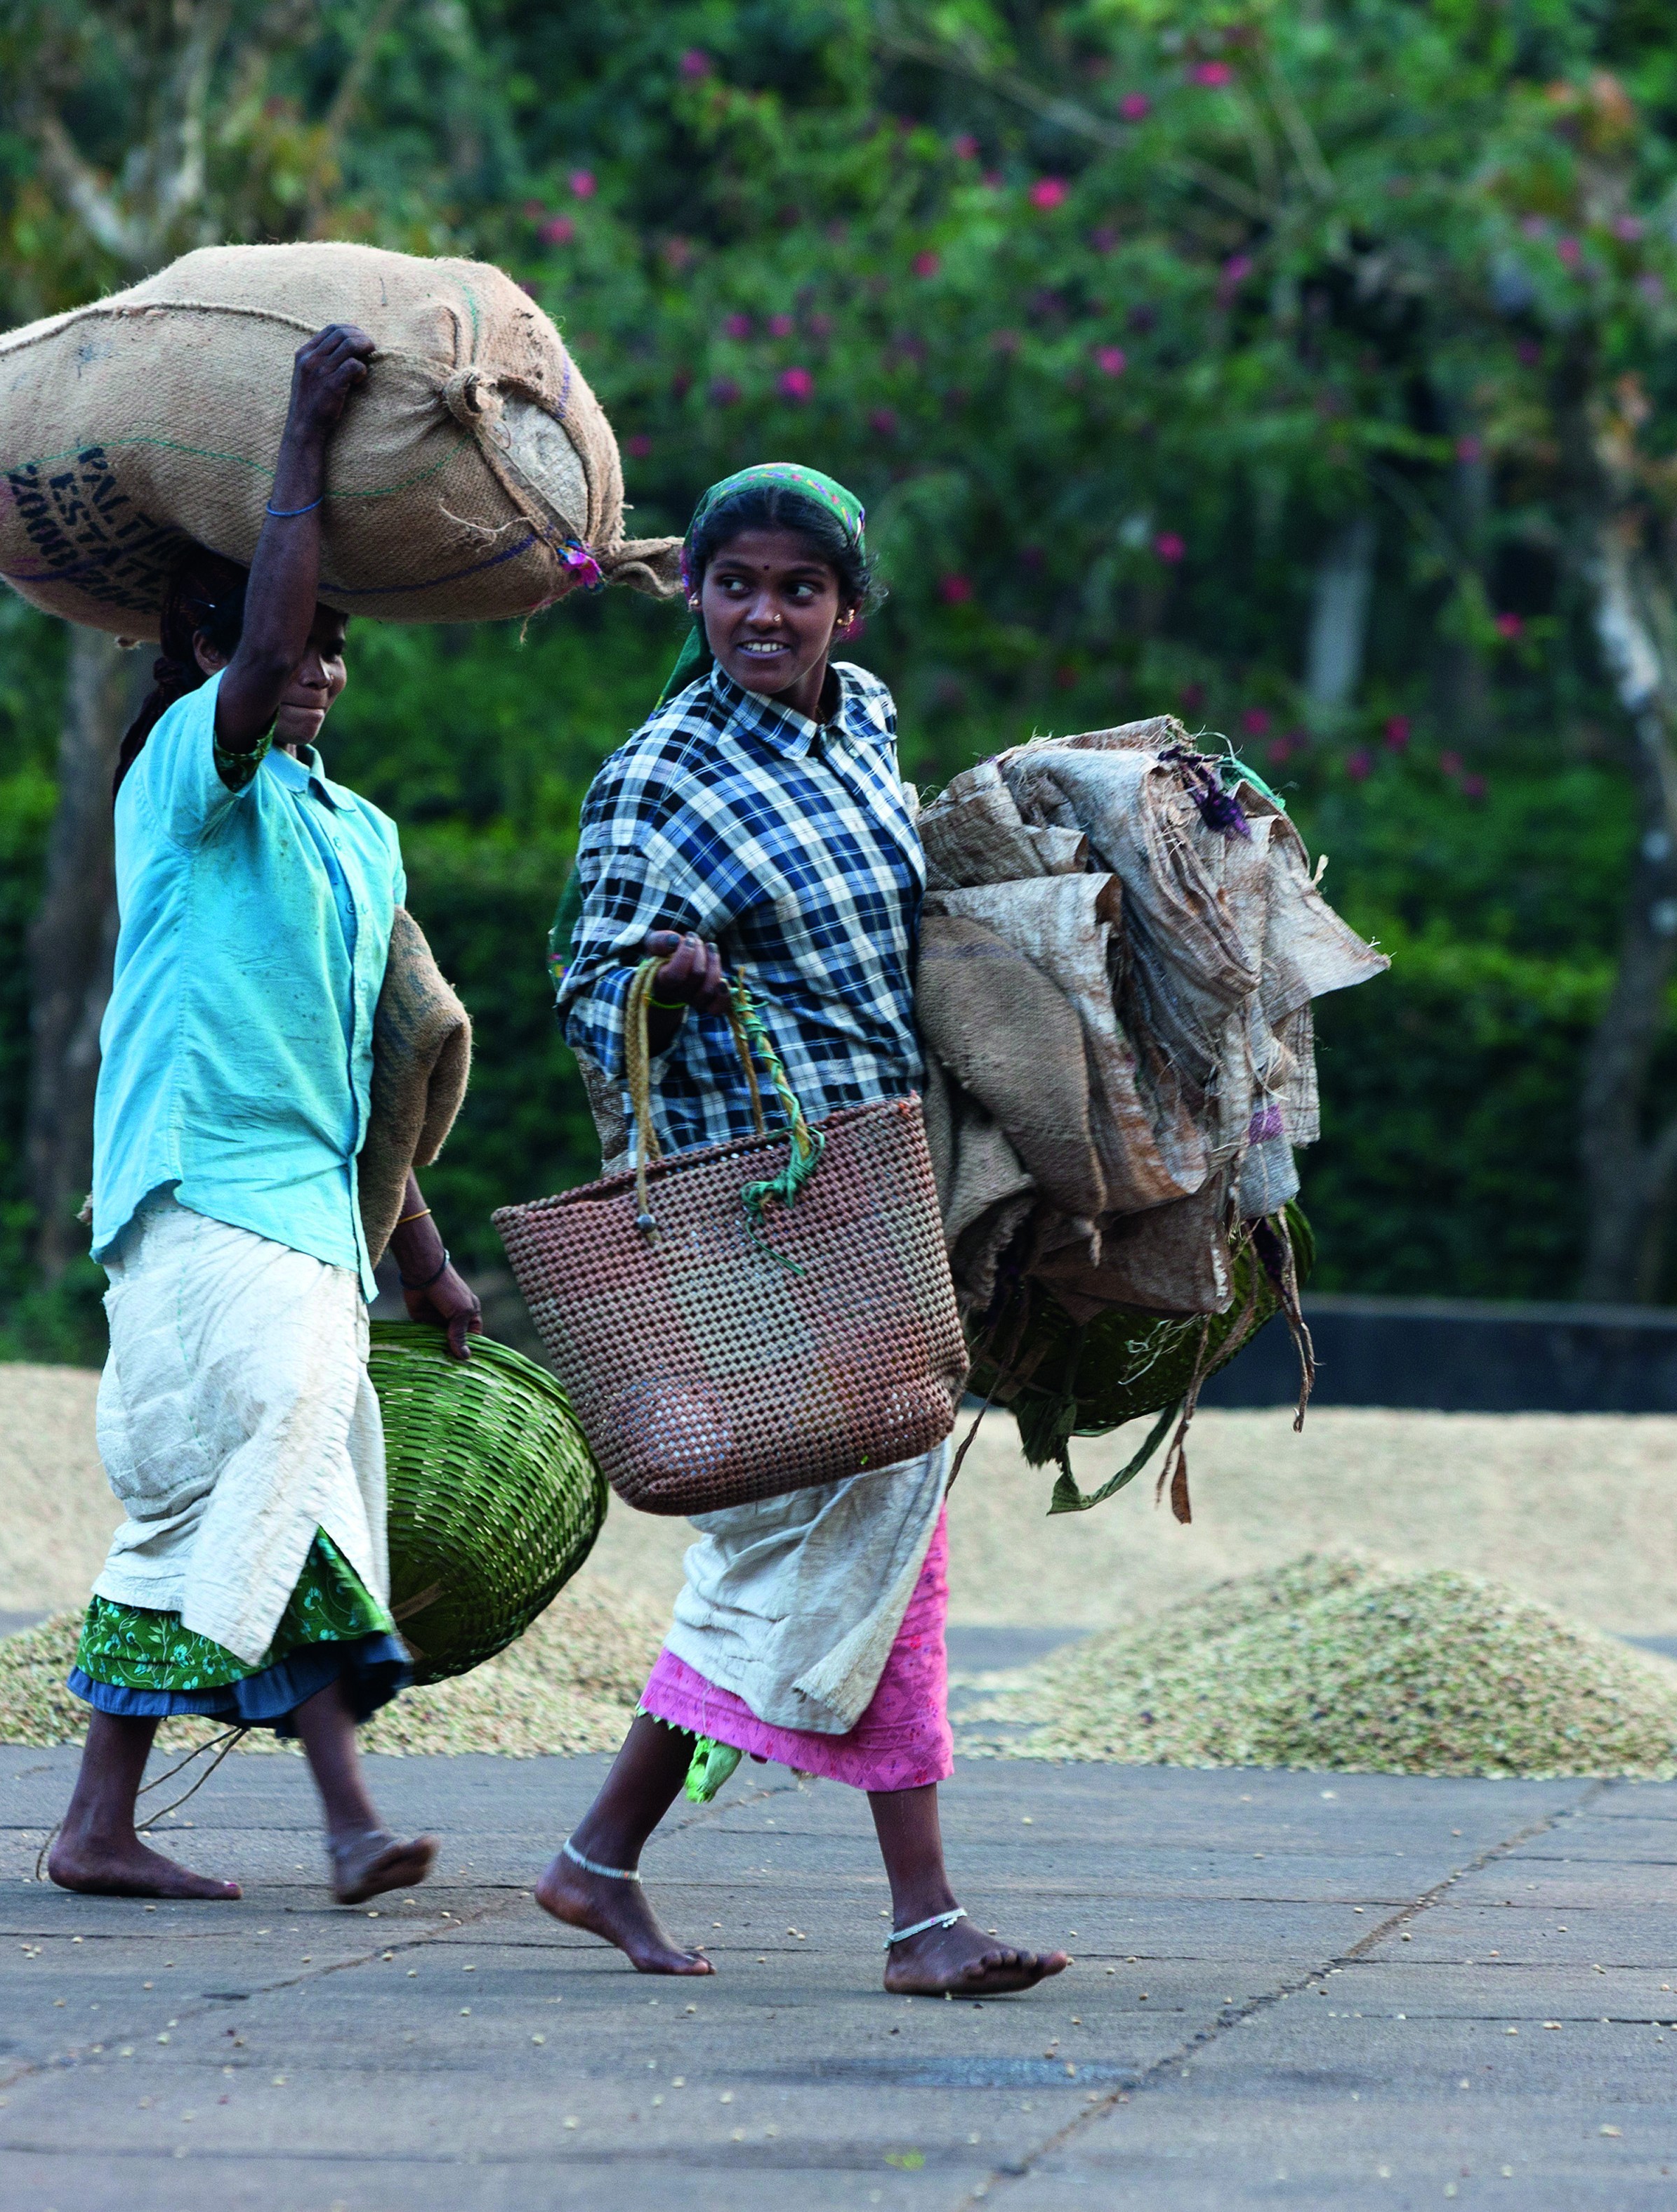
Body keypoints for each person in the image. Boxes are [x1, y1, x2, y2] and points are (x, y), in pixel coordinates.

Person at [533, 462, 1071, 1999]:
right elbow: (588, 985)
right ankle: (905, 1920)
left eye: (796, 589)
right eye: (733, 586)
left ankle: (612, 1860)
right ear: (695, 597)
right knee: (842, 1527)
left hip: (881, 1186)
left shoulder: (872, 724)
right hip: (761, 1209)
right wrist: (666, 979)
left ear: (846, 607)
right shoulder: (664, 770)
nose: (762, 614)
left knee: (865, 1534)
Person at [42, 322, 487, 1907]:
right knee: (284, 1445)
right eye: (286, 641)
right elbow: (253, 647)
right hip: (194, 1200)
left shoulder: (356, 838)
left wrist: (424, 1259)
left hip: (312, 1218)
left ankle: (107, 1824)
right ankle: (350, 1818)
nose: (318, 663)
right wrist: (300, 438)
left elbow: (368, 1083)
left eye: (334, 648)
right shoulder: (181, 771)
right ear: (216, 657)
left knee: (238, 1498)